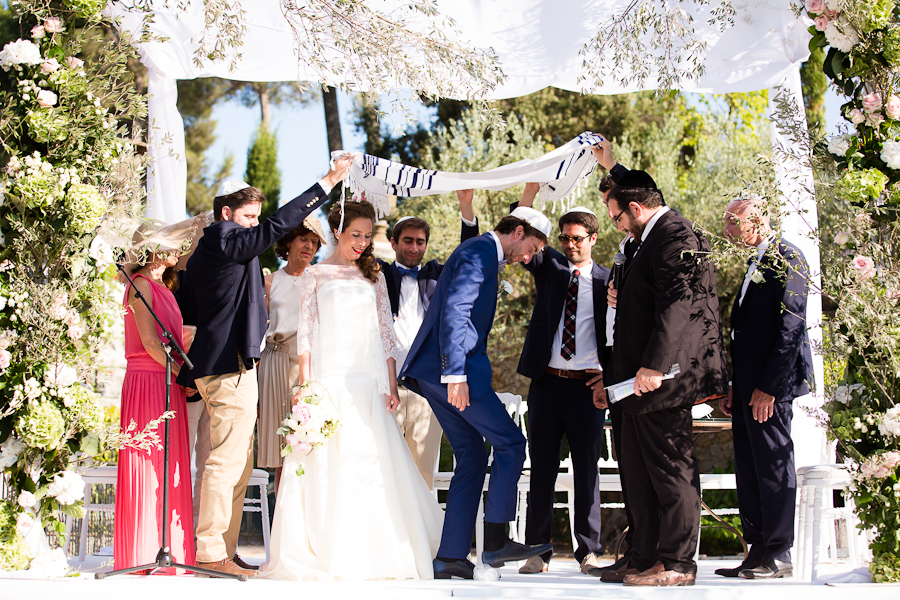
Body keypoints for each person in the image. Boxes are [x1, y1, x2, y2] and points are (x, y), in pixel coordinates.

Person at [177, 154, 353, 578]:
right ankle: (208, 552)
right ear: (226, 214)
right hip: (227, 368)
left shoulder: (221, 249)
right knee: (225, 461)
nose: (255, 224)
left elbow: (193, 313)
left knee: (239, 463)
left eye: (256, 216)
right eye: (248, 216)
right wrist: (326, 182)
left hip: (229, 366)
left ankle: (226, 549)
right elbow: (277, 226)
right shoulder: (222, 237)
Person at [262, 200, 442, 581]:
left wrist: (390, 384)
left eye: (366, 236)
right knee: (327, 468)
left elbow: (385, 335)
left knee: (373, 467)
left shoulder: (373, 276)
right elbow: (307, 336)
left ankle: (380, 548)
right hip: (329, 383)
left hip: (368, 385)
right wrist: (307, 388)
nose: (360, 243)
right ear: (337, 233)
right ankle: (326, 548)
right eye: (354, 235)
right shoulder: (314, 275)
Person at [401, 205, 554, 580]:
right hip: (455, 372)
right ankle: (498, 541)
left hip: (433, 372)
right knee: (511, 444)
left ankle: (451, 556)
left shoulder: (484, 253)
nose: (529, 257)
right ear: (518, 231)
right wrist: (455, 373)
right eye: (532, 247)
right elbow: (457, 310)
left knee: (470, 454)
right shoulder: (481, 252)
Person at [604, 170, 727, 587]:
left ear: (636, 209)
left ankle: (677, 563)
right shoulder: (648, 239)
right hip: (637, 380)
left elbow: (678, 303)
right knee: (640, 473)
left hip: (664, 377)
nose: (617, 225)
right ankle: (645, 558)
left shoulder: (675, 234)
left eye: (617, 217)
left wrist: (655, 365)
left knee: (672, 472)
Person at [514, 183, 609, 575]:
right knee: (542, 469)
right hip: (547, 384)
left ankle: (588, 551)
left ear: (593, 239)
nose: (570, 245)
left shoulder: (609, 280)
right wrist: (530, 190)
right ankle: (537, 551)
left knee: (587, 470)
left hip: (588, 387)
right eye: (565, 239)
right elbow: (517, 230)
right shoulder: (549, 267)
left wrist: (610, 375)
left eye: (577, 239)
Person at [715, 196, 812, 579]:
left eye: (731, 223)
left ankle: (779, 552)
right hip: (748, 386)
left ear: (755, 220)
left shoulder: (789, 257)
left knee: (773, 465)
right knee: (749, 465)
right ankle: (756, 549)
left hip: (773, 387)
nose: (726, 231)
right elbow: (746, 333)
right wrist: (737, 384)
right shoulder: (756, 260)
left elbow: (791, 329)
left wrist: (769, 388)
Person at [114, 218, 200, 574]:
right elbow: (150, 342)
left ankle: (167, 550)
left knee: (170, 467)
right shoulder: (139, 285)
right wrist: (186, 377)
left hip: (168, 382)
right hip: (149, 383)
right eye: (172, 242)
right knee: (148, 463)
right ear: (153, 248)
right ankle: (142, 551)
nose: (178, 249)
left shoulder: (163, 286)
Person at [379, 192, 480, 488]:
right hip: (388, 389)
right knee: (384, 473)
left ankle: (420, 535)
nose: (414, 247)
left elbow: (468, 252)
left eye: (420, 241)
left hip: (427, 390)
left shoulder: (437, 276)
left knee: (423, 473)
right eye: (407, 240)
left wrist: (466, 207)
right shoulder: (379, 275)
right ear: (395, 243)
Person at [257, 216, 326, 494]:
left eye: (314, 241)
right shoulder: (270, 282)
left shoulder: (323, 280)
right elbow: (258, 328)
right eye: (303, 239)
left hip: (314, 366)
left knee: (314, 443)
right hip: (276, 366)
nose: (309, 246)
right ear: (288, 242)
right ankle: (282, 522)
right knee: (282, 448)